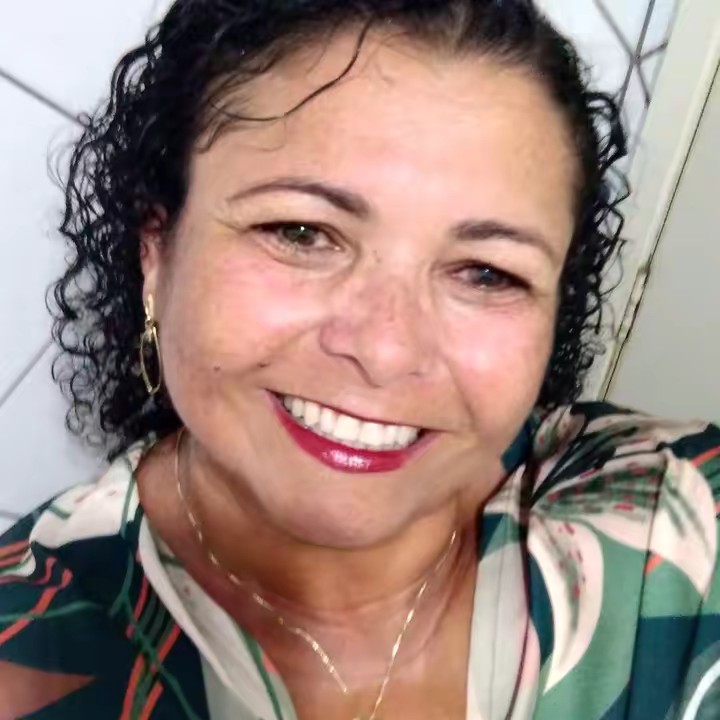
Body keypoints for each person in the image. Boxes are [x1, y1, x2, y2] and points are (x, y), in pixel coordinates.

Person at [1, 1, 718, 718]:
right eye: (302, 232)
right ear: (156, 251)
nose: (385, 349)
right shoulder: (30, 643)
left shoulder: (679, 523)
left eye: (486, 273)